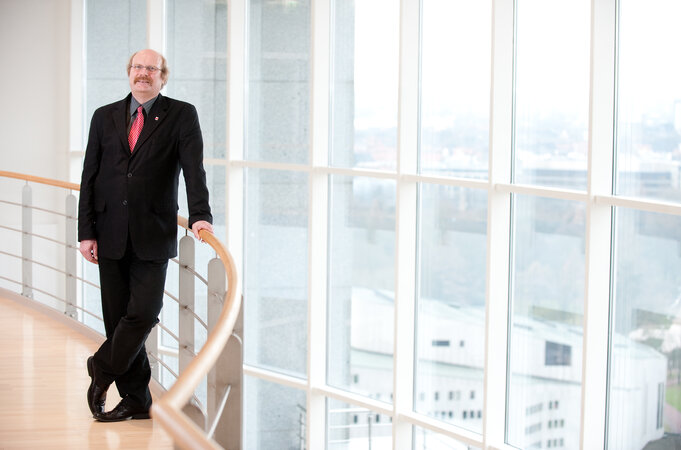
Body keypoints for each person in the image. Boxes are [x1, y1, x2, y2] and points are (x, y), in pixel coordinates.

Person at [78, 49, 213, 422]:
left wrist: (200, 215)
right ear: (129, 72)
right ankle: (137, 399)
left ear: (162, 76)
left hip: (153, 230)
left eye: (151, 68)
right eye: (138, 67)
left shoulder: (181, 114)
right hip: (108, 231)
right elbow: (90, 175)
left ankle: (101, 367)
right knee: (117, 319)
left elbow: (193, 168)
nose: (143, 73)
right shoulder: (104, 116)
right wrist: (86, 231)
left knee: (143, 313)